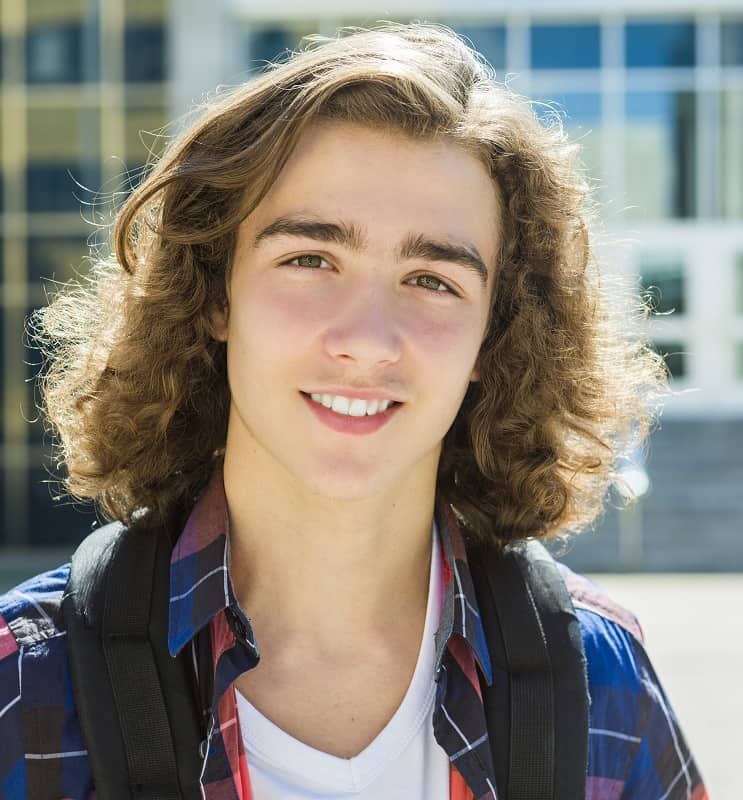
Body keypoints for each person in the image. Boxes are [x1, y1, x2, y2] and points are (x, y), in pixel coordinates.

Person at [0, 22, 707, 800]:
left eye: (432, 279)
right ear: (213, 294)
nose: (368, 341)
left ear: (492, 338)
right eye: (309, 259)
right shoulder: (23, 680)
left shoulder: (603, 680)